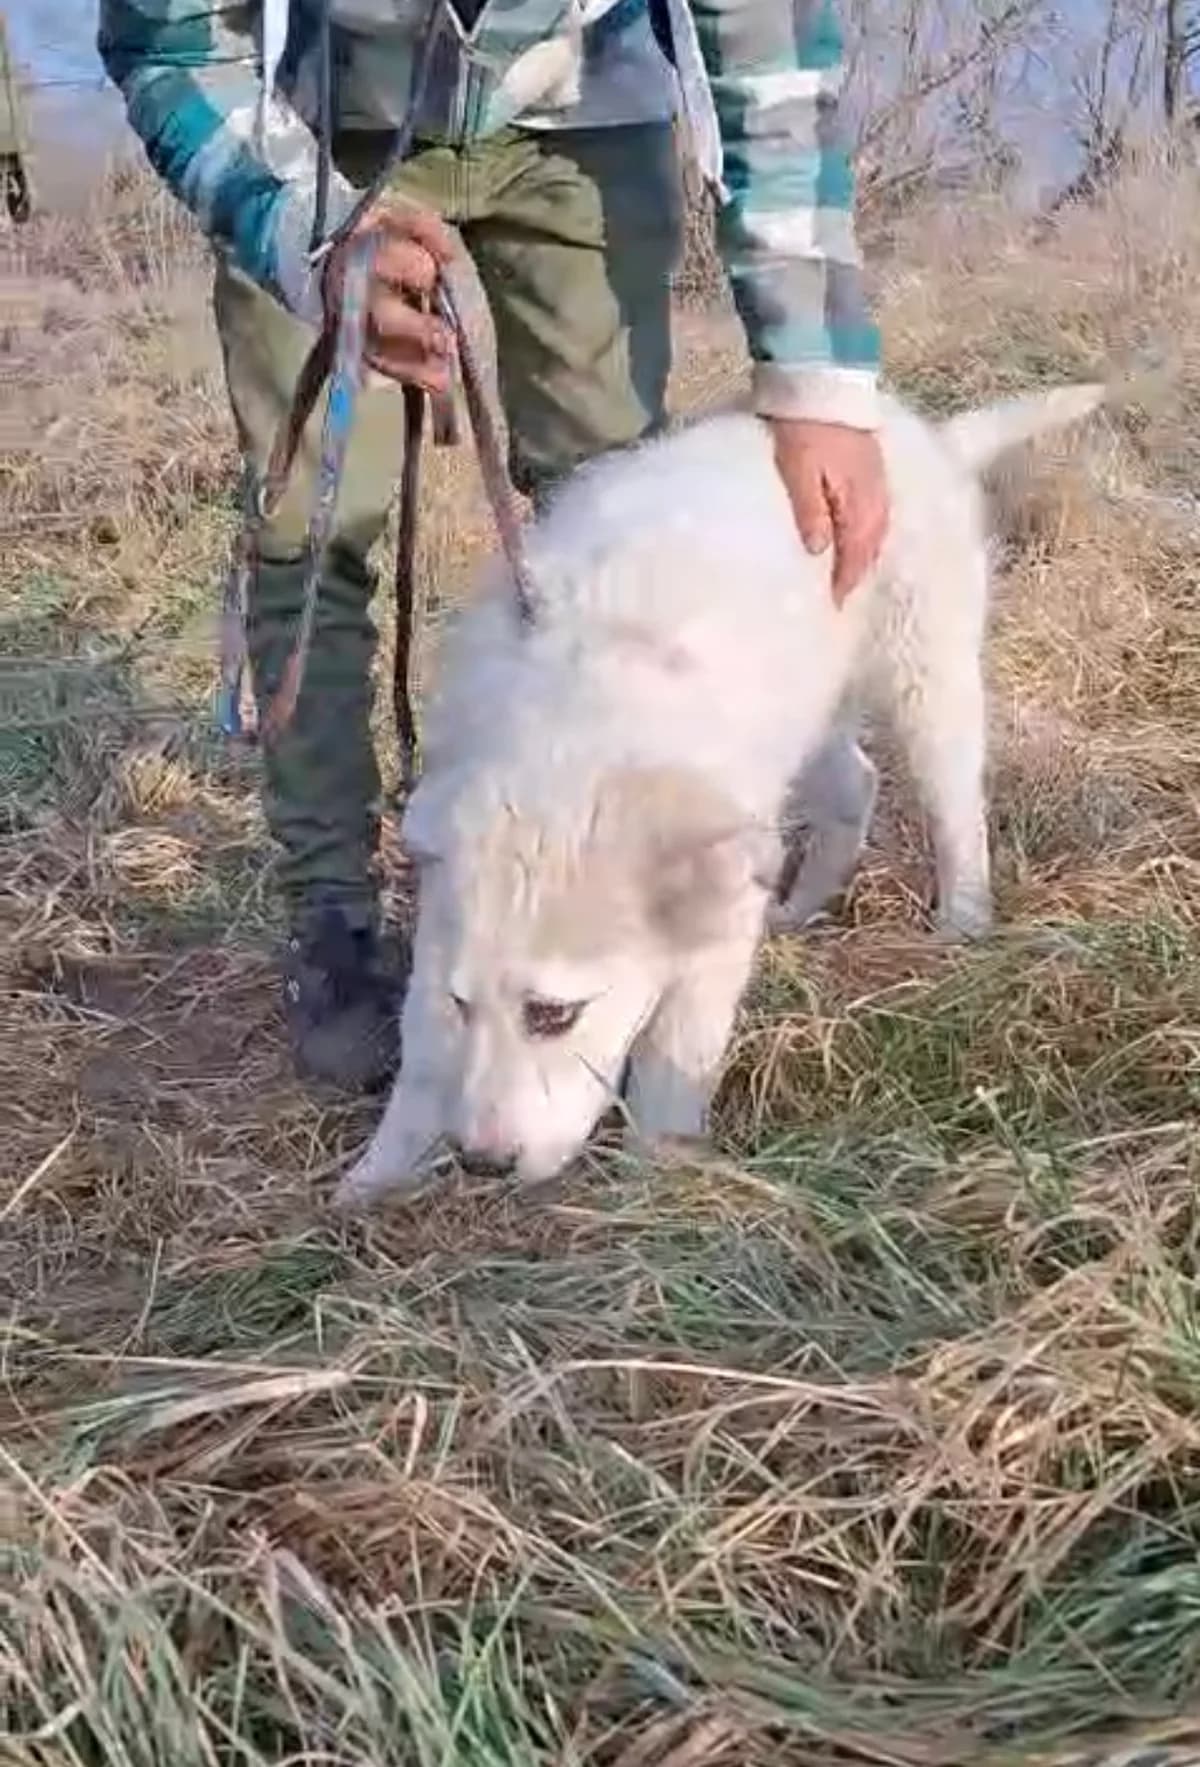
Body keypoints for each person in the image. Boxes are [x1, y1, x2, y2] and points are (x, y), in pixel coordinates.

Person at [98, 0, 889, 1092]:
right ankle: (333, 923)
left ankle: (597, 894)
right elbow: (173, 38)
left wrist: (818, 378)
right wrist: (314, 236)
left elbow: (774, 60)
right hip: (319, 116)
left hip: (589, 107)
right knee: (310, 530)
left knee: (612, 513)